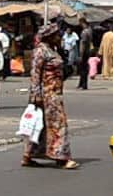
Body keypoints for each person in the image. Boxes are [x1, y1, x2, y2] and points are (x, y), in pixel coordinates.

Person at [22, 24, 77, 170]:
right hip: (47, 95)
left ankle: (29, 155)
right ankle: (61, 157)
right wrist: (35, 95)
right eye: (57, 35)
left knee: (41, 127)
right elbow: (35, 74)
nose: (59, 38)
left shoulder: (53, 50)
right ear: (49, 36)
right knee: (58, 125)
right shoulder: (40, 51)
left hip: (55, 92)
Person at [76, 19, 93, 90]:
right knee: (84, 68)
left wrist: (80, 54)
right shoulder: (90, 30)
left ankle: (84, 84)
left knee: (83, 69)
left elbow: (83, 44)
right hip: (87, 51)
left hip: (84, 52)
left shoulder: (84, 32)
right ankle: (81, 83)